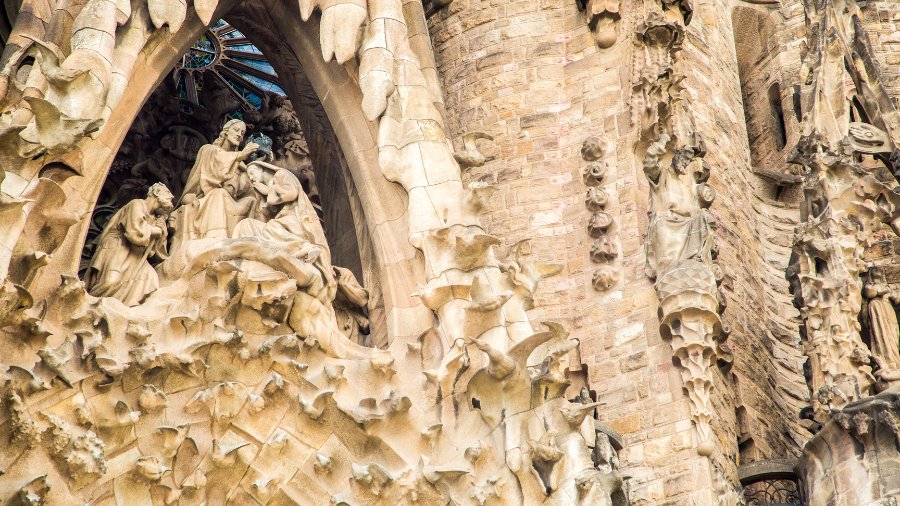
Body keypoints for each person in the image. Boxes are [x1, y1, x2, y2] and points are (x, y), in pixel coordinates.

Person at [171, 119, 259, 252]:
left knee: (253, 200)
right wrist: (240, 156)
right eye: (236, 130)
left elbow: (248, 185)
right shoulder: (209, 150)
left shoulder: (239, 163)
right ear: (226, 131)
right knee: (219, 193)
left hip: (230, 201)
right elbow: (214, 174)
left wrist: (259, 166)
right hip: (204, 196)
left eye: (242, 133)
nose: (239, 135)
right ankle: (216, 236)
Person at [85, 183, 174, 306]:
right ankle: (90, 306)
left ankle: (125, 313)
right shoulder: (136, 204)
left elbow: (157, 251)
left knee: (151, 279)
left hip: (137, 256)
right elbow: (134, 232)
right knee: (110, 282)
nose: (172, 196)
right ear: (157, 193)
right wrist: (155, 231)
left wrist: (162, 230)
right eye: (168, 193)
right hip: (118, 247)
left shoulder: (156, 218)